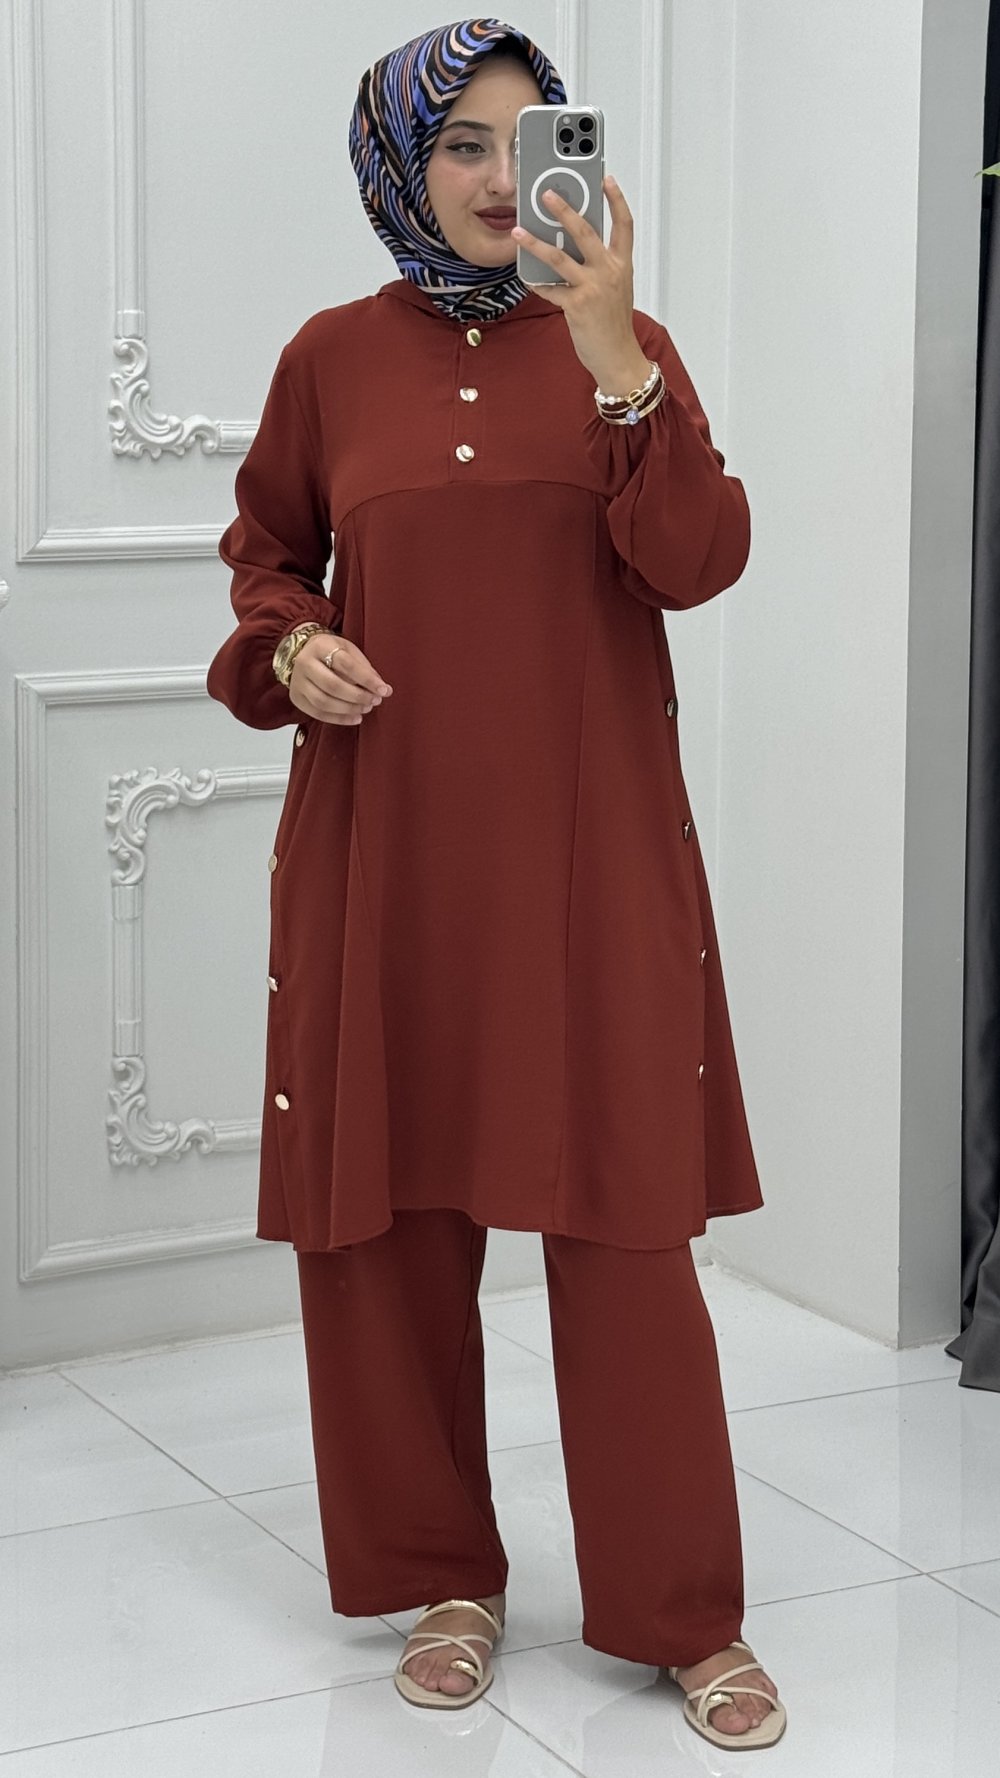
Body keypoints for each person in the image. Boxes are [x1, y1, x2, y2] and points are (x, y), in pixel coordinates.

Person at [206, 16, 786, 1753]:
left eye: (527, 141)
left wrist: (616, 357)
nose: (492, 175)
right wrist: (289, 647)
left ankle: (683, 1612)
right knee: (386, 1231)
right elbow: (266, 563)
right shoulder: (330, 360)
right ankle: (443, 1579)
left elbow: (695, 559)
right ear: (401, 159)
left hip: (592, 867)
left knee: (626, 1232)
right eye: (459, 141)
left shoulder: (626, 347)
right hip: (386, 864)